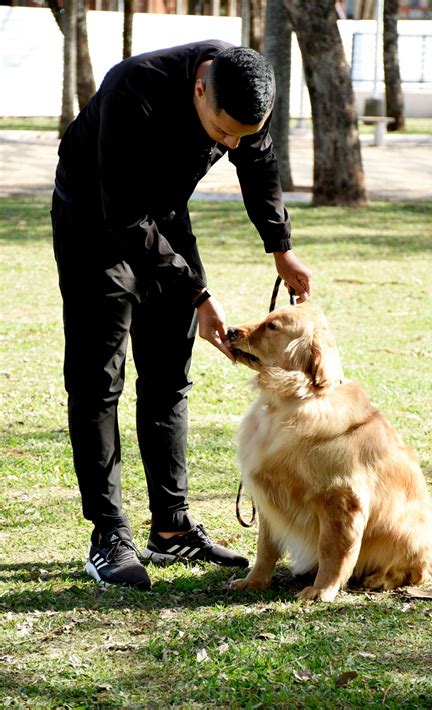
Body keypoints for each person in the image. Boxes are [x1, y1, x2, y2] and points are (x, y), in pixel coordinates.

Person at [51, 40, 312, 591]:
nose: (230, 145)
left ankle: (169, 529)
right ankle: (108, 533)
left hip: (165, 218)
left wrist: (280, 245)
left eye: (242, 134)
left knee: (169, 371)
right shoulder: (133, 88)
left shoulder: (243, 87)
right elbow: (123, 215)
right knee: (98, 378)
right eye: (222, 135)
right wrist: (198, 293)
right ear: (199, 89)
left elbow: (259, 163)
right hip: (95, 220)